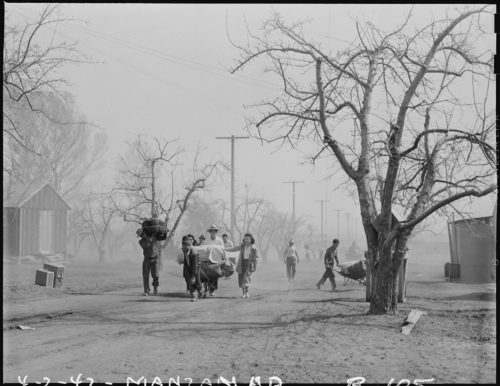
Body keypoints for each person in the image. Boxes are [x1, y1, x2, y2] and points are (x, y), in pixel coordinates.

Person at [225, 233, 259, 298]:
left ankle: (246, 292)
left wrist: (255, 266)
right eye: (245, 239)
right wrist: (226, 249)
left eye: (248, 239)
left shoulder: (253, 248)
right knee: (241, 278)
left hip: (249, 264)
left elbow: (256, 258)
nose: (246, 240)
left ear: (251, 240)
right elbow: (234, 248)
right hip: (242, 263)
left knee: (246, 278)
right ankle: (244, 293)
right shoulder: (242, 246)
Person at [179, 235, 203, 302]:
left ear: (190, 245)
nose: (185, 246)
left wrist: (193, 276)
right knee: (190, 283)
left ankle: (201, 291)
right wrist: (186, 274)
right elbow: (185, 262)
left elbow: (194, 266)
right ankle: (194, 296)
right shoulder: (183, 251)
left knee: (196, 282)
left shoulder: (194, 253)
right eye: (184, 245)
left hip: (196, 268)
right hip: (188, 267)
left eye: (187, 245)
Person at [138, 228, 161, 296]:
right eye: (141, 235)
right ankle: (146, 290)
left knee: (155, 275)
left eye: (142, 234)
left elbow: (159, 238)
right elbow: (146, 246)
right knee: (145, 275)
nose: (141, 236)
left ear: (144, 233)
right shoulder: (141, 242)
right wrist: (149, 239)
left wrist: (152, 236)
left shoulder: (154, 237)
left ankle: (155, 289)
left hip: (155, 259)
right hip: (147, 259)